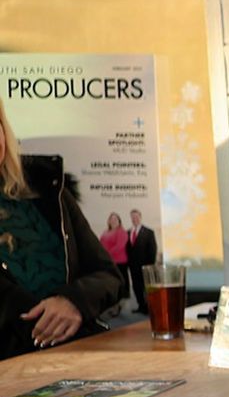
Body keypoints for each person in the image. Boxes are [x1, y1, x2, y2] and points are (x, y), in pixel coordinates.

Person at [0, 101, 124, 360]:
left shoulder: (48, 188)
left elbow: (108, 276)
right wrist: (48, 322)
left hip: (81, 355)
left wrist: (73, 301)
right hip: (15, 368)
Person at [124, 207, 157, 314]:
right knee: (136, 287)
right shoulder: (128, 232)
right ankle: (141, 306)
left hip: (145, 266)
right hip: (133, 266)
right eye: (133, 217)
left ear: (140, 217)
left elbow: (153, 250)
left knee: (146, 288)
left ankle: (149, 307)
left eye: (136, 217)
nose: (135, 219)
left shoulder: (148, 232)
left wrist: (149, 265)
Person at [99, 212, 130, 298]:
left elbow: (120, 246)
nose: (113, 221)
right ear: (108, 221)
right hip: (108, 260)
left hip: (120, 261)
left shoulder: (121, 232)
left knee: (121, 280)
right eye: (111, 219)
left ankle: (124, 296)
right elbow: (100, 244)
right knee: (111, 280)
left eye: (115, 219)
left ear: (119, 221)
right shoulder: (105, 232)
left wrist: (107, 254)